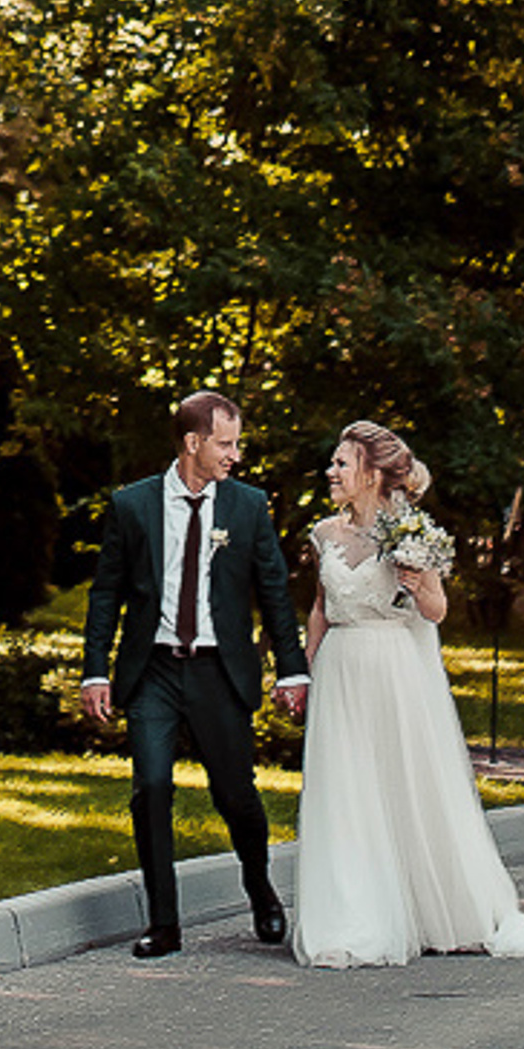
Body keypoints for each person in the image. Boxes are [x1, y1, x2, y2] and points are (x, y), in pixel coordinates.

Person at [290, 419, 524, 970]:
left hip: (393, 667)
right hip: (341, 671)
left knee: (405, 783)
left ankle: (439, 912)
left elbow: (437, 612)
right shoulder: (325, 534)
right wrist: (303, 673)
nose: (331, 471)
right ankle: (350, 919)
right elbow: (321, 610)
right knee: (345, 791)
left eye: (341, 463)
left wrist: (419, 582)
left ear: (372, 474)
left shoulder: (411, 532)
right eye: (333, 463)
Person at [80, 388, 310, 956]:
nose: (235, 455)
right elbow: (106, 592)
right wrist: (94, 672)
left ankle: (260, 889)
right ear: (192, 442)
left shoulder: (248, 506)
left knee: (235, 796)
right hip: (153, 670)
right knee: (151, 789)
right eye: (224, 443)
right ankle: (164, 923)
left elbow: (274, 593)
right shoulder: (132, 505)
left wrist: (292, 670)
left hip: (218, 671)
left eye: (236, 443)